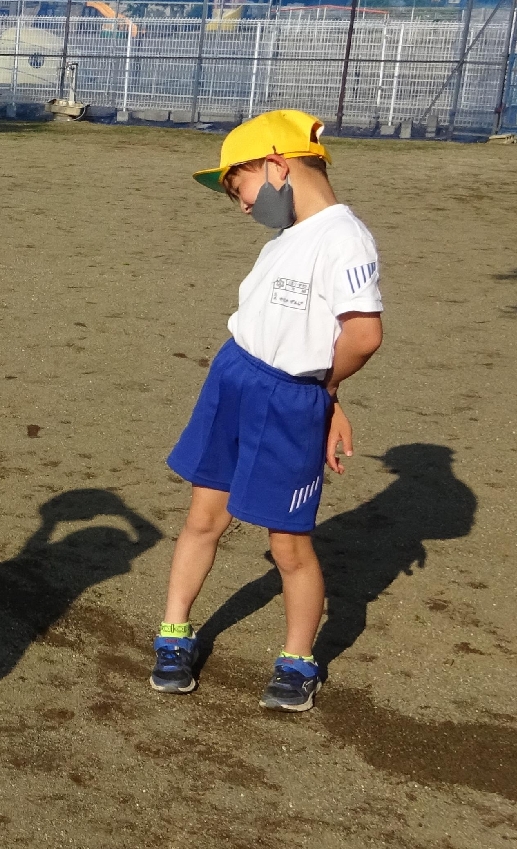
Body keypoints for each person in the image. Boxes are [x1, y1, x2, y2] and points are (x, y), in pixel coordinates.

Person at [152, 109, 384, 712]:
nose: (241, 205)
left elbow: (362, 336)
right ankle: (174, 632)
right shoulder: (289, 235)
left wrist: (322, 395)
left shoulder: (343, 238)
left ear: (277, 166)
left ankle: (297, 658)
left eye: (239, 187)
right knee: (205, 517)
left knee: (289, 546)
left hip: (290, 399)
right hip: (236, 377)